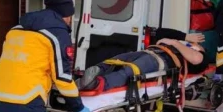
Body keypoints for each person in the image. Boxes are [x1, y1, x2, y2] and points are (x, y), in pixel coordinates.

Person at [78, 28, 209, 94]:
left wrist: (174, 42)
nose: (193, 42)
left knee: (129, 71)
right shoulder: (184, 43)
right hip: (150, 52)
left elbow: (196, 59)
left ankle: (98, 84)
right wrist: (184, 36)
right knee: (115, 60)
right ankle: (92, 74)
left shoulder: (201, 56)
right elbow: (160, 32)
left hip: (161, 61)